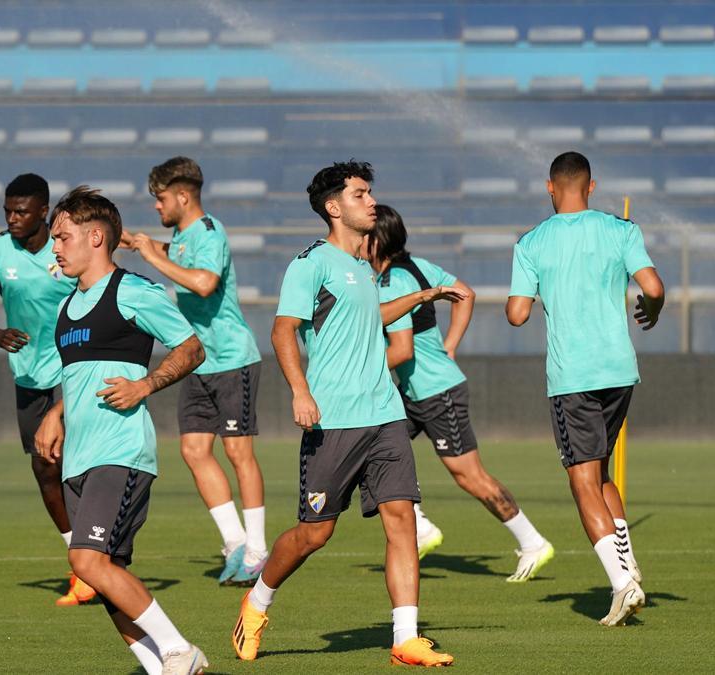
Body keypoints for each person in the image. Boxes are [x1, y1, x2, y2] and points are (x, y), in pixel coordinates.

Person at [233, 161, 462, 667]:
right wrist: (300, 391)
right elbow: (282, 330)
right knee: (315, 533)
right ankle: (257, 601)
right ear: (333, 207)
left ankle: (405, 639)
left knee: (401, 519)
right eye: (361, 194)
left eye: (370, 192)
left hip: (385, 414)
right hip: (333, 420)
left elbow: (368, 318)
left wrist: (422, 296)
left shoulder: (364, 267)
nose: (371, 201)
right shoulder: (310, 264)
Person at [36, 186, 209, 675]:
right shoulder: (67, 307)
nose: (55, 247)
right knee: (107, 571)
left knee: (87, 563)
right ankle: (159, 668)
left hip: (120, 452)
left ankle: (179, 650)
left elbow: (191, 348)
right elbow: (83, 376)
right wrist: (56, 413)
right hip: (78, 459)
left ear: (96, 237)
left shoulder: (132, 291)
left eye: (63, 237)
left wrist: (146, 385)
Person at [506, 151, 664, 626]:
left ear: (549, 187)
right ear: (591, 187)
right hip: (618, 371)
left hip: (573, 376)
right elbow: (654, 287)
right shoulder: (621, 229)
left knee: (581, 482)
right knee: (600, 475)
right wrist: (653, 310)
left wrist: (536, 293)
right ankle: (628, 564)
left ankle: (622, 584)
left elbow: (517, 314)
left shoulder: (532, 242)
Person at [366, 204, 554, 580]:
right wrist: (449, 344)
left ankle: (533, 543)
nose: (357, 243)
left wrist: (358, 372)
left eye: (363, 236)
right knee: (374, 447)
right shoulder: (418, 267)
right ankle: (420, 528)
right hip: (416, 393)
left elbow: (402, 350)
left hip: (437, 393)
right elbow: (465, 293)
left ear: (377, 241)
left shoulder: (392, 282)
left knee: (469, 476)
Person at [122, 156, 267, 586]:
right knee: (193, 450)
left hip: (232, 358)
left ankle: (257, 549)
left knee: (238, 453)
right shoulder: (184, 237)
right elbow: (178, 255)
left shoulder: (209, 230)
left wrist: (152, 257)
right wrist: (140, 243)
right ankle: (235, 542)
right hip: (199, 361)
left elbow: (204, 282)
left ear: (182, 196)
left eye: (161, 198)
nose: (157, 206)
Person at [0, 173, 93, 606]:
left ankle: (92, 561)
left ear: (43, 212)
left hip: (74, 369)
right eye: (7, 211)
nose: (12, 218)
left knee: (79, 466)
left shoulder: (65, 246)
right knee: (45, 468)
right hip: (29, 375)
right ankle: (82, 560)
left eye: (21, 211)